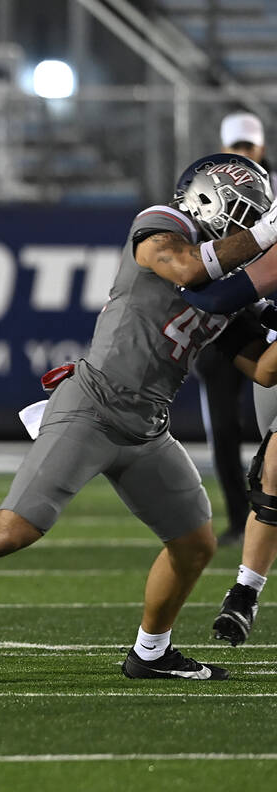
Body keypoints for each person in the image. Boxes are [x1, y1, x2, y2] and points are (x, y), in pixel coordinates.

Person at [0, 152, 277, 680]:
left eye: (259, 217)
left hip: (149, 428)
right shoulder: (163, 224)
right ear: (206, 198)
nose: (251, 226)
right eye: (248, 214)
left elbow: (265, 370)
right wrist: (266, 238)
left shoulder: (226, 286)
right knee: (11, 531)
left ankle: (150, 653)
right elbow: (187, 268)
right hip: (92, 405)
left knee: (194, 544)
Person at [191, 111, 270, 547]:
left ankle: (262, 519)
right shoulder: (203, 193)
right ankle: (242, 520)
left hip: (262, 317)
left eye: (248, 146)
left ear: (259, 148)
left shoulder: (270, 191)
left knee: (271, 426)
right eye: (235, 147)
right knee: (224, 429)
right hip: (226, 320)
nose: (242, 154)